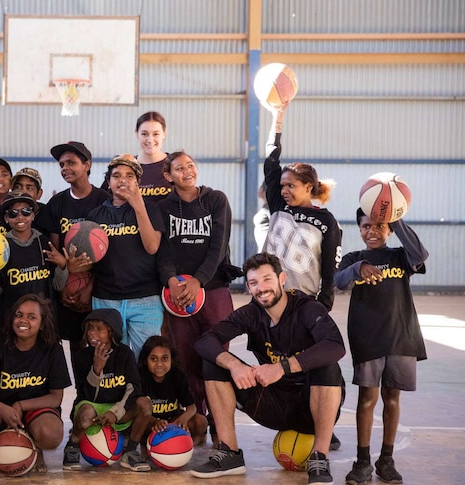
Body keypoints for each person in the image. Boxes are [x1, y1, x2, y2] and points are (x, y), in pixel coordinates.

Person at [190, 253, 345, 484]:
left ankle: (319, 457)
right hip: (272, 403)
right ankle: (230, 453)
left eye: (267, 280)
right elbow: (205, 341)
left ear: (282, 279)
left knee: (327, 365)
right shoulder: (251, 313)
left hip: (310, 407)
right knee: (214, 361)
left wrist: (282, 368)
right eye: (253, 283)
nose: (261, 288)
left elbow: (335, 346)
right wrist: (235, 365)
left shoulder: (307, 308)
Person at [152, 150, 241, 442]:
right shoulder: (164, 207)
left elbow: (218, 247)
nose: (187, 171)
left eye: (190, 166)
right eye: (179, 168)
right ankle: (198, 420)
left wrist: (198, 281)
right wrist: (171, 281)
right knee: (188, 360)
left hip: (212, 289)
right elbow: (163, 253)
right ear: (168, 176)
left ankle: (221, 425)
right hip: (178, 295)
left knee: (216, 358)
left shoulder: (216, 200)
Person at [334, 209, 429, 485]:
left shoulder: (400, 255)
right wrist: (358, 268)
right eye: (366, 226)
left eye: (379, 226)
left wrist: (395, 215)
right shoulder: (353, 259)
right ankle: (362, 462)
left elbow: (420, 255)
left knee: (392, 398)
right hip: (368, 338)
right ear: (359, 229)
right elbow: (338, 281)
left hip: (401, 337)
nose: (372, 231)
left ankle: (386, 459)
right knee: (367, 399)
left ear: (389, 229)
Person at [0, 294, 71, 473]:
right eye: (19, 315)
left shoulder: (52, 349)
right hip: (2, 411)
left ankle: (35, 446)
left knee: (51, 435)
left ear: (42, 323)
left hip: (37, 410)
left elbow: (56, 398)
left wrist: (21, 405)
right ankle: (9, 444)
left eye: (31, 317)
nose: (23, 320)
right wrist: (3, 409)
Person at [261, 103, 342, 311]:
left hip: (303, 301)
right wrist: (277, 121)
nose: (285, 190)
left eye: (291, 186)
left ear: (308, 186)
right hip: (268, 295)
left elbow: (330, 267)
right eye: (282, 186)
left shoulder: (326, 221)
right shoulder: (279, 207)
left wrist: (324, 304)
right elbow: (271, 163)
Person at [87, 154, 163, 357]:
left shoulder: (151, 209)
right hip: (106, 298)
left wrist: (138, 206)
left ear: (138, 182)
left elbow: (152, 247)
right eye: (116, 175)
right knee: (110, 362)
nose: (123, 180)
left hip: (145, 298)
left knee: (146, 362)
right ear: (109, 182)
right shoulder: (96, 215)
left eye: (130, 176)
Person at [43, 141, 110, 365]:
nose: (65, 168)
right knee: (77, 349)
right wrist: (62, 287)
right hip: (68, 291)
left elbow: (112, 254)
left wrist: (91, 288)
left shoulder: (104, 201)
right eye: (62, 164)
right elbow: (54, 252)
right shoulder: (57, 203)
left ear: (87, 164)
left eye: (71, 162)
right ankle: (82, 398)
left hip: (99, 288)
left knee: (102, 346)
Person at [63, 308, 146, 471]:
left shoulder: (125, 354)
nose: (92, 333)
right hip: (93, 408)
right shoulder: (82, 356)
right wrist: (96, 370)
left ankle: (130, 452)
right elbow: (85, 395)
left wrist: (115, 412)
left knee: (145, 404)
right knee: (86, 412)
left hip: (117, 409)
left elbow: (134, 388)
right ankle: (73, 445)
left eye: (98, 329)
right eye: (89, 328)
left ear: (111, 332)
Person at [128, 335, 206, 465]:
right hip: (150, 422)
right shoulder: (140, 376)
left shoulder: (177, 375)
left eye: (165, 359)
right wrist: (155, 422)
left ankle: (191, 441)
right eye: (153, 359)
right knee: (134, 425)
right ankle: (145, 443)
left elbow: (192, 407)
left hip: (173, 420)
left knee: (200, 421)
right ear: (146, 360)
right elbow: (135, 410)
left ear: (172, 359)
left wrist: (183, 419)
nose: (159, 364)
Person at [0, 191, 65, 326]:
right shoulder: (0, 247)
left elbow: (57, 285)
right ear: (6, 218)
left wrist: (62, 266)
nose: (20, 217)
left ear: (32, 215)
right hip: (13, 321)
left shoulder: (44, 243)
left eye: (25, 211)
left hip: (45, 321)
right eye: (13, 213)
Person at [101, 111, 173, 204]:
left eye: (156, 134)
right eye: (144, 134)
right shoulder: (124, 165)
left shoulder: (175, 165)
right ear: (137, 133)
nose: (150, 140)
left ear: (164, 133)